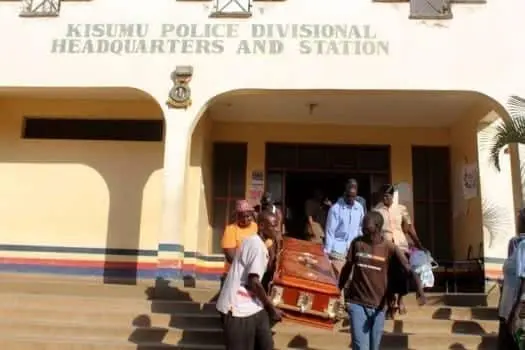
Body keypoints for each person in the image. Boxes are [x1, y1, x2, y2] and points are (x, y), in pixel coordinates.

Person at [338, 211, 426, 350]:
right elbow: (347, 268)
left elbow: (408, 269)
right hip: (357, 303)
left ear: (378, 227)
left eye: (367, 228)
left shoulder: (389, 247)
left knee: (374, 347)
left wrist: (420, 290)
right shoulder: (357, 243)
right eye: (362, 227)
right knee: (361, 347)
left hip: (379, 306)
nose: (363, 230)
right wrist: (338, 288)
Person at [216, 212, 283, 350]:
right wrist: (271, 308)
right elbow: (254, 282)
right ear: (262, 226)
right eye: (274, 225)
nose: (277, 229)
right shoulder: (257, 246)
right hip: (238, 310)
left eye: (278, 226)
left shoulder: (253, 240)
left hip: (255, 307)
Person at [373, 184, 424, 316]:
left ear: (392, 196)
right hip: (386, 246)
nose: (385, 198)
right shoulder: (377, 210)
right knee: (388, 276)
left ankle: (400, 300)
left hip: (401, 245)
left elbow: (409, 228)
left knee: (403, 275)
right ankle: (391, 302)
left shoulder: (401, 209)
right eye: (383, 196)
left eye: (388, 196)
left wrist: (418, 243)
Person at [497, 208, 525, 350]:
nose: (517, 222)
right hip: (508, 305)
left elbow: (524, 280)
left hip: (515, 307)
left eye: (519, 219)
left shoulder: (521, 244)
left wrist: (515, 312)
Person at [325, 181, 365, 277]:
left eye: (353, 196)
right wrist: (327, 253)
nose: (351, 199)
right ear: (344, 193)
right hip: (338, 251)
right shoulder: (335, 209)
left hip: (354, 250)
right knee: (338, 280)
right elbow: (330, 232)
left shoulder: (359, 208)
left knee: (352, 280)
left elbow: (360, 227)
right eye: (348, 196)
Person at [221, 200, 258, 282]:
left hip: (251, 274)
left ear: (252, 215)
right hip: (233, 274)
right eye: (242, 217)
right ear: (237, 216)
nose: (245, 220)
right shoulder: (230, 229)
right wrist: (249, 266)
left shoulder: (256, 227)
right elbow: (230, 257)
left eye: (248, 216)